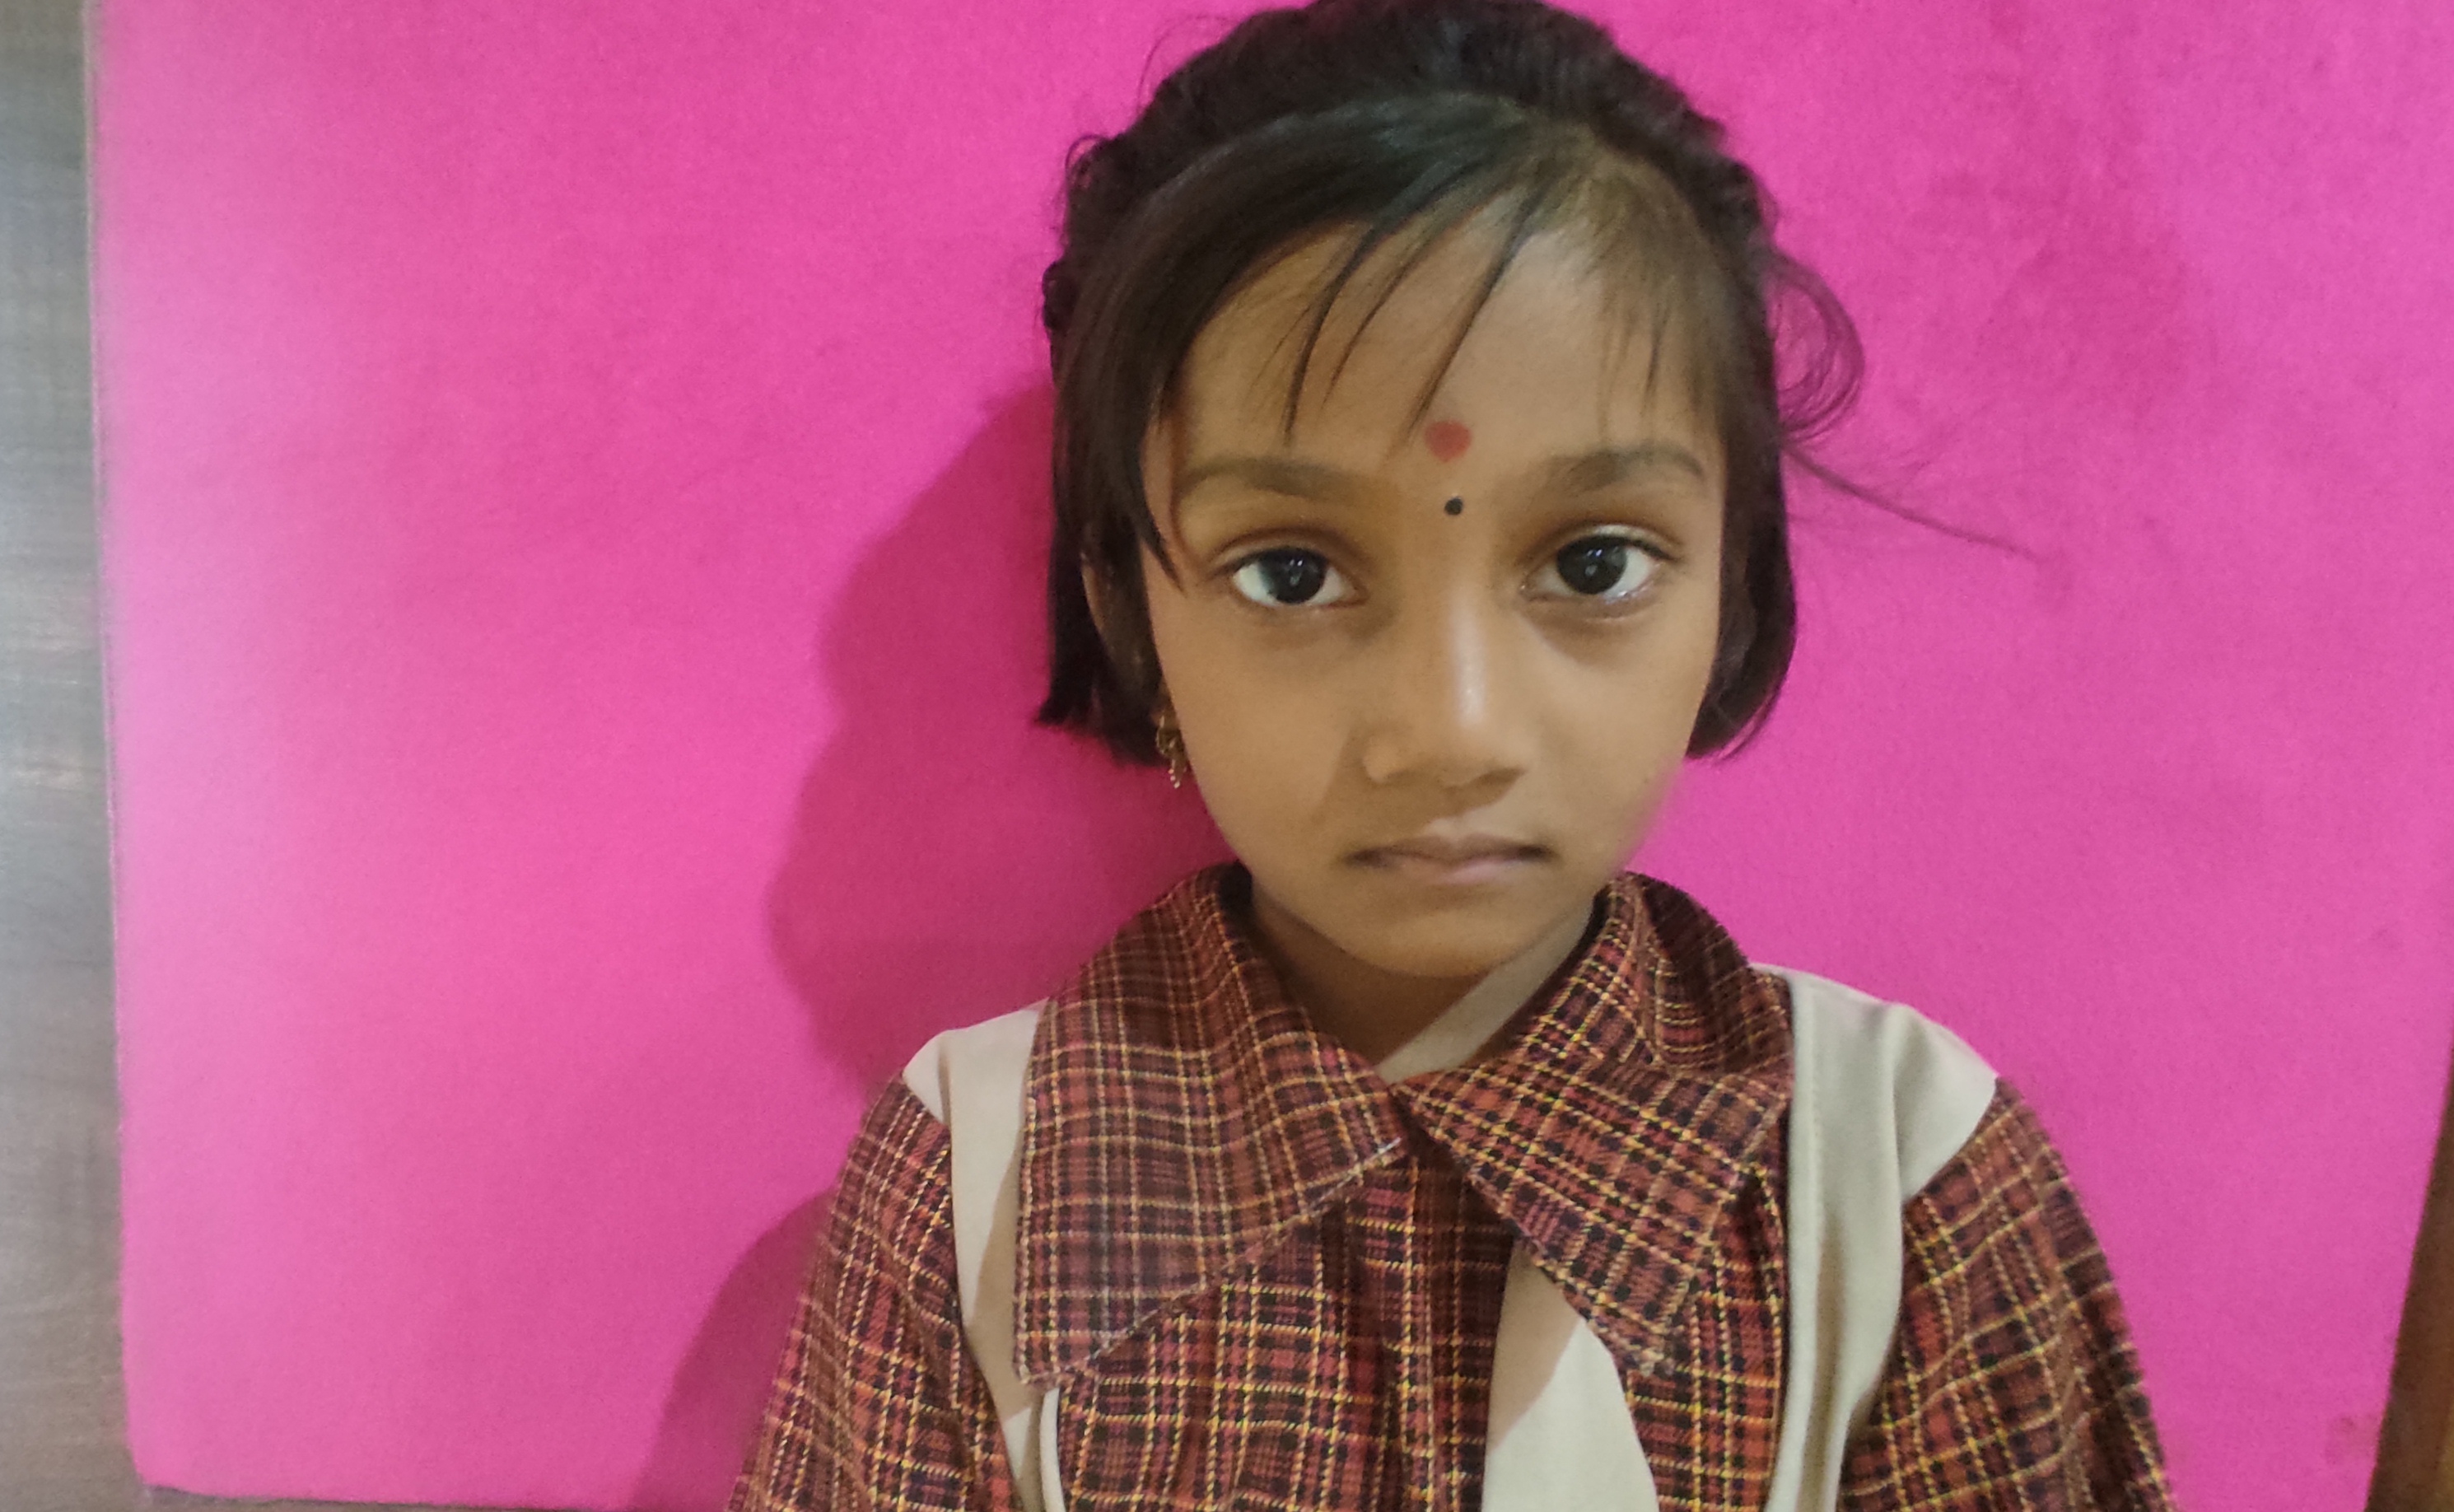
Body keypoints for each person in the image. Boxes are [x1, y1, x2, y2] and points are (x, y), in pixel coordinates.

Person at [732, 0, 2176, 1506]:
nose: (1452, 732)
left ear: (1735, 589)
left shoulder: (1903, 1178)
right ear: (1130, 614)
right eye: (1291, 572)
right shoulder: (975, 1180)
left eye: (1594, 564)